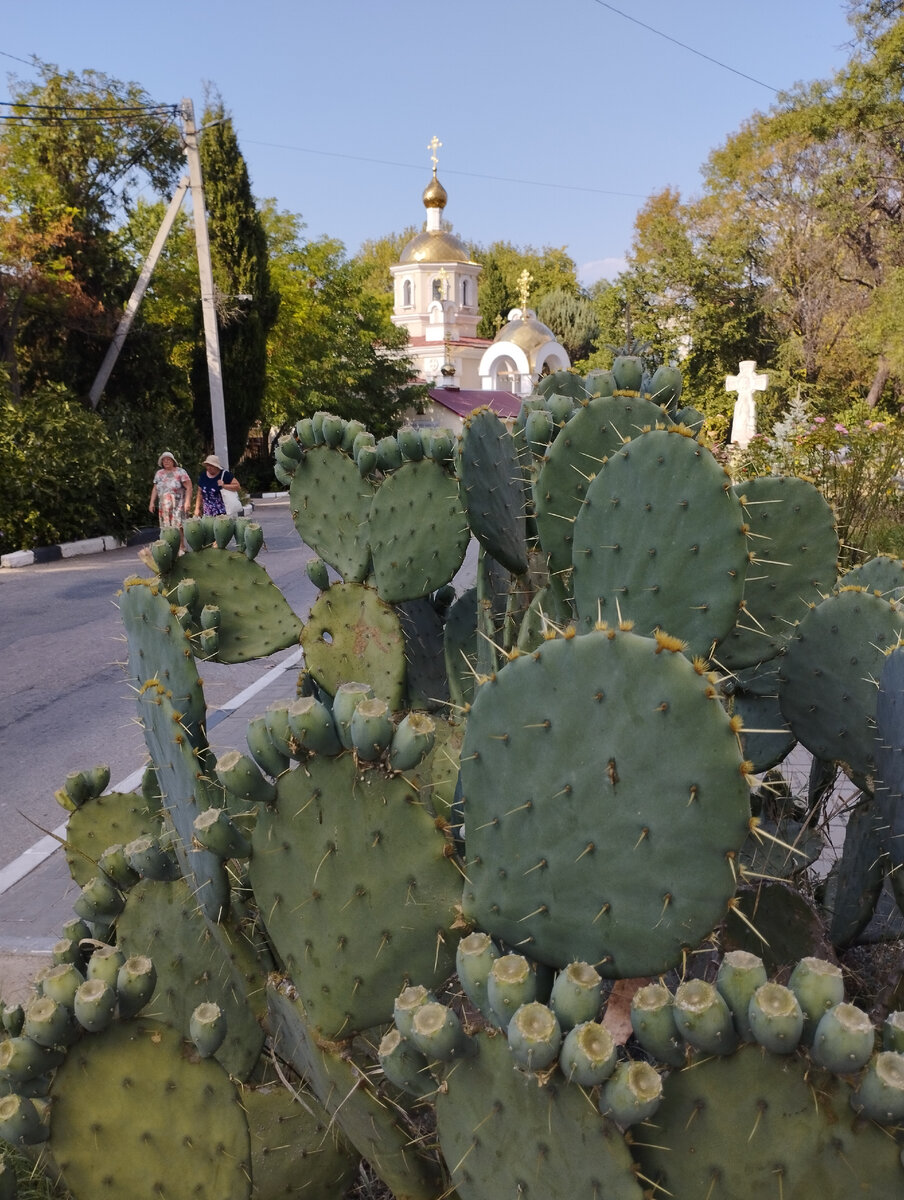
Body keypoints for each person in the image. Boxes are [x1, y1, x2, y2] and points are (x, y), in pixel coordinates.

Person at [149, 451, 192, 552]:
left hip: (178, 503)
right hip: (164, 504)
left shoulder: (180, 472)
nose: (166, 461)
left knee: (178, 525)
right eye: (164, 460)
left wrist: (187, 502)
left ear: (173, 461)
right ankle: (169, 547)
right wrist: (151, 502)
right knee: (166, 526)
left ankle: (181, 546)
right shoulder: (159, 474)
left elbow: (189, 487)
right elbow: (155, 488)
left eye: (168, 459)